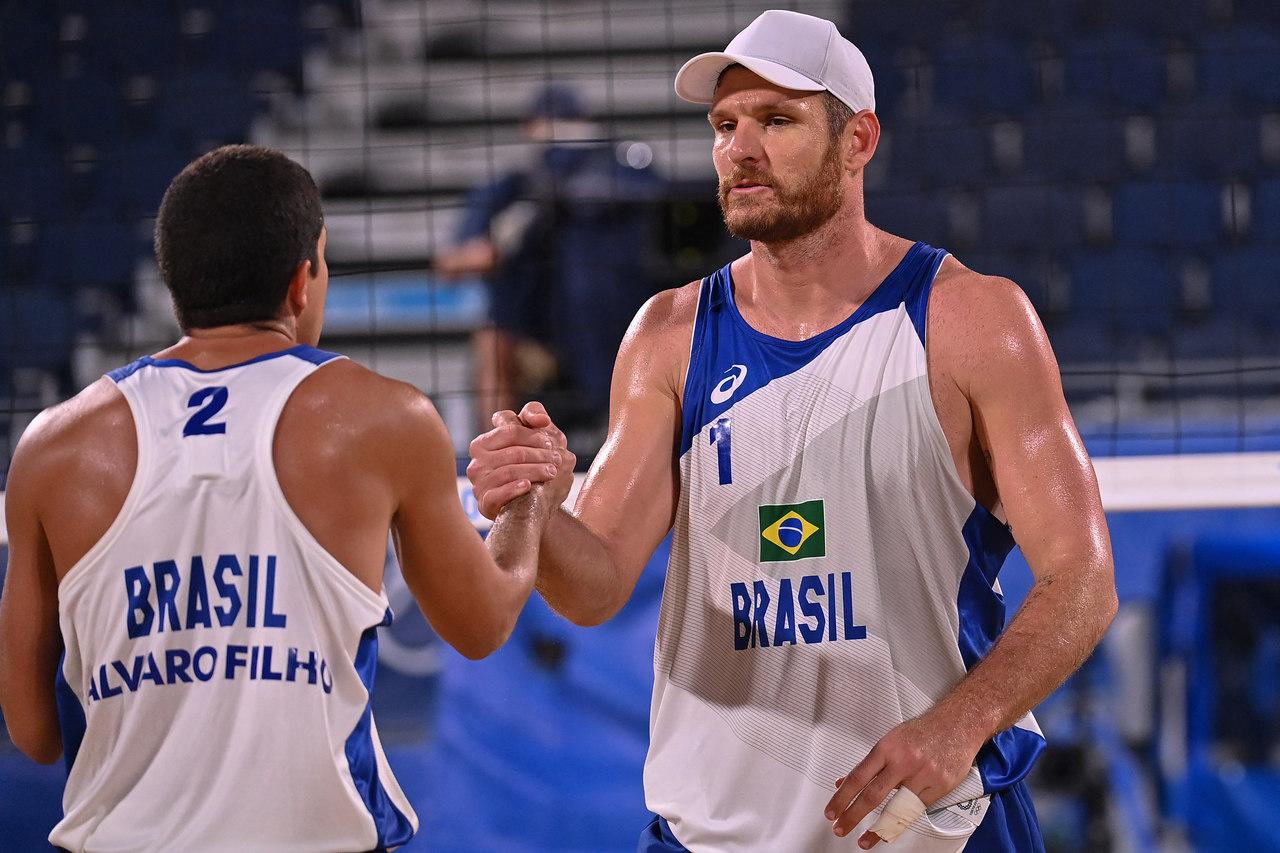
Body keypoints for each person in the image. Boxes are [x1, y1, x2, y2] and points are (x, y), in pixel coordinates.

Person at [466, 10, 1117, 852]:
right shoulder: (667, 334)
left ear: (859, 140)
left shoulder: (973, 319)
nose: (740, 149)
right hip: (716, 829)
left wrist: (958, 725)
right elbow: (593, 588)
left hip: (925, 823)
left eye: (776, 121)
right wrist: (538, 505)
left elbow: (1082, 578)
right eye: (724, 126)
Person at [0, 144, 558, 852]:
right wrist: (528, 498)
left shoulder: (53, 446)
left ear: (174, 286)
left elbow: (34, 730)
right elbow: (482, 625)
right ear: (302, 280)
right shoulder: (384, 418)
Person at [434, 84, 663, 442]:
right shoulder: (517, 189)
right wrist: (505, 240)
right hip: (540, 334)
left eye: (568, 121)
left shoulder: (624, 173)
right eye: (552, 122)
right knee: (493, 339)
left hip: (620, 323)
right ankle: (500, 442)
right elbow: (453, 263)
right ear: (530, 128)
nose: (561, 131)